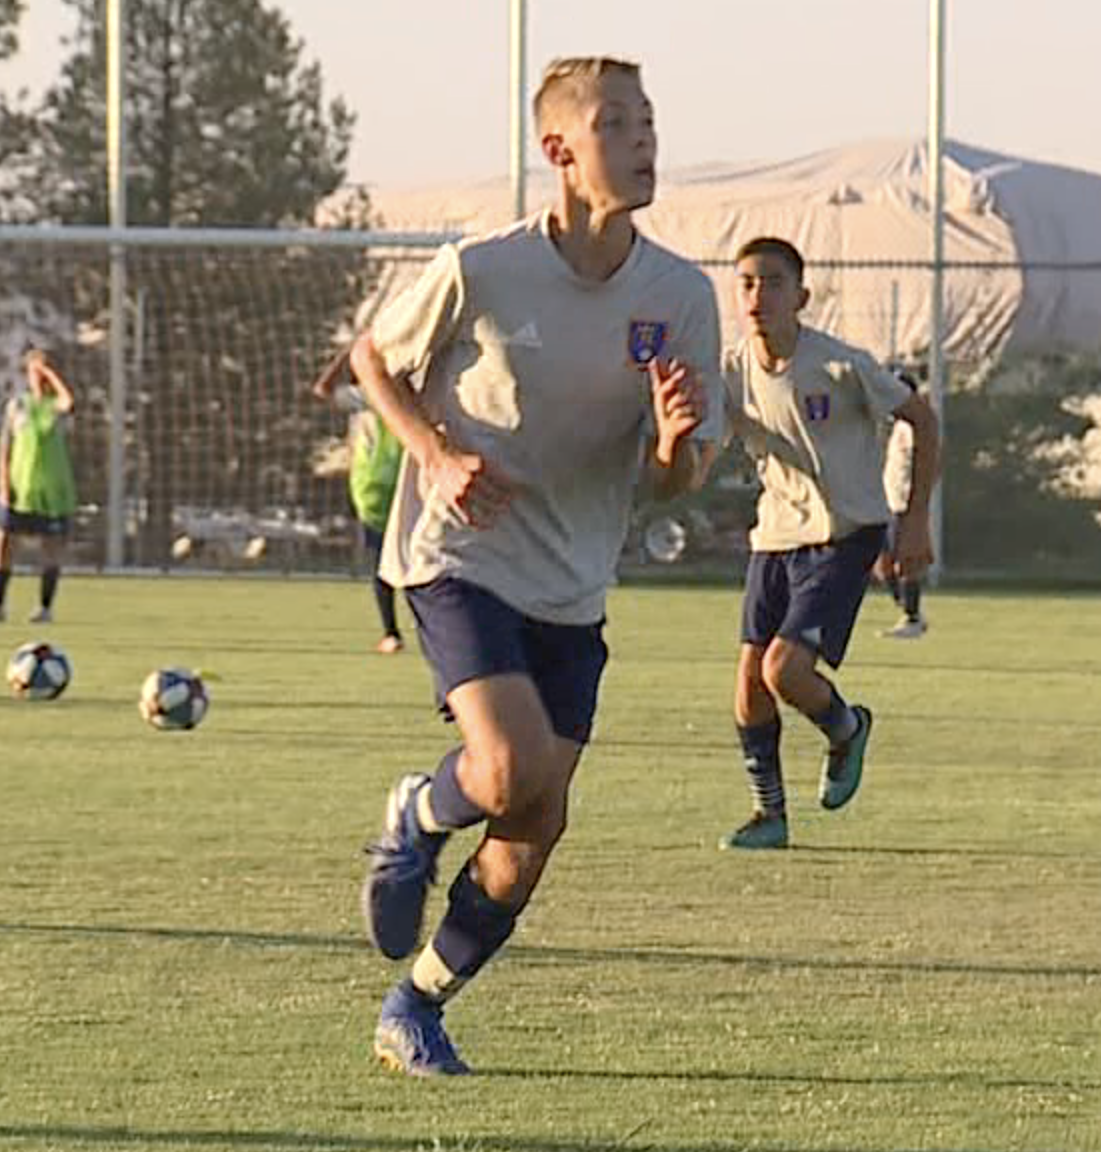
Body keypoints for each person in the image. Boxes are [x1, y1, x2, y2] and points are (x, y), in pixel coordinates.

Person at [350, 55, 722, 1076]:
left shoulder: (681, 295)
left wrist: (671, 439)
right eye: (616, 124)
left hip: (574, 580)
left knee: (535, 820)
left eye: (648, 121)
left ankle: (415, 1004)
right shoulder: (485, 267)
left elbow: (676, 484)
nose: (643, 141)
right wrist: (435, 453)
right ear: (559, 151)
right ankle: (418, 816)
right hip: (458, 554)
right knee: (508, 768)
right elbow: (372, 358)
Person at [715, 237, 939, 851]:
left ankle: (846, 729)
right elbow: (700, 437)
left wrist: (914, 520)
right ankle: (770, 816)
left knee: (784, 670)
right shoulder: (730, 372)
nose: (758, 295)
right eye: (747, 283)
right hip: (775, 539)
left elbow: (923, 418)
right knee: (750, 687)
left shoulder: (840, 364)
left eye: (773, 283)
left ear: (802, 296)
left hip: (845, 536)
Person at [0, 346, 78, 624]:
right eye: (33, 371)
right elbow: (5, 445)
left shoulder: (56, 407)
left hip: (52, 491)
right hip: (21, 488)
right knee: (5, 542)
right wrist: (4, 483)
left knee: (51, 547)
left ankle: (44, 608)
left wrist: (49, 374)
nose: (37, 377)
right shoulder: (18, 405)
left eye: (42, 371)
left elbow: (68, 400)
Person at [312, 348, 407, 654]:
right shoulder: (412, 394)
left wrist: (348, 353)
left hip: (373, 490)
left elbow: (322, 389)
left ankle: (391, 633)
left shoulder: (368, 395)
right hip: (406, 487)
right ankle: (418, 629)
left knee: (382, 564)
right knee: (414, 561)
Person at [875, 368, 929, 638]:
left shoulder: (913, 425)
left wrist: (917, 500)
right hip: (889, 501)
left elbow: (930, 458)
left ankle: (912, 617)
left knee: (903, 561)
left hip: (904, 503)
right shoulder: (898, 425)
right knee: (881, 563)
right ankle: (908, 609)